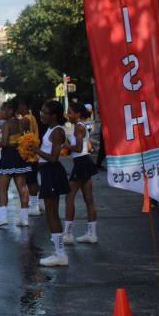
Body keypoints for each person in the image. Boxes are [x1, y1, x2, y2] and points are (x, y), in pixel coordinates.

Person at [32, 101, 71, 266]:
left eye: (44, 112)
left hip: (52, 171)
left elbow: (54, 158)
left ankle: (60, 254)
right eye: (41, 111)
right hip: (47, 172)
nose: (41, 114)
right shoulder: (50, 129)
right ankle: (58, 251)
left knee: (52, 213)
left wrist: (36, 150)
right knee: (50, 213)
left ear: (54, 115)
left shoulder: (57, 131)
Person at [0, 101, 31, 228]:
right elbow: (23, 139)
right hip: (19, 156)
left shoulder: (7, 124)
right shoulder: (23, 122)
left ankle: (3, 218)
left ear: (10, 111)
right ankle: (24, 218)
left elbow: (5, 143)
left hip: (8, 157)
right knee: (22, 188)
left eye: (3, 110)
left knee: (3, 189)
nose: (1, 113)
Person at [64, 101, 98, 245]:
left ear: (78, 114)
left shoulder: (78, 126)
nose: (68, 115)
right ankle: (92, 234)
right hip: (84, 161)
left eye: (70, 112)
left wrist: (66, 145)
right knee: (88, 199)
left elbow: (78, 148)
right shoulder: (81, 126)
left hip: (81, 163)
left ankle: (68, 234)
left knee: (69, 197)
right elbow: (85, 147)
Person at [17, 101, 42, 216]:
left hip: (28, 154)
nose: (18, 108)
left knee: (30, 181)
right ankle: (35, 205)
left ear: (25, 106)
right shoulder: (32, 117)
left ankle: (34, 207)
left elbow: (22, 135)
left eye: (19, 106)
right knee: (33, 180)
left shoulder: (26, 119)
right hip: (33, 154)